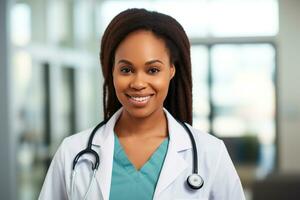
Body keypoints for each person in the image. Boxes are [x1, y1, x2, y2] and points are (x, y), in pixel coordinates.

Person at [39, 8, 245, 200]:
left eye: (153, 70)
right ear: (111, 71)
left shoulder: (210, 153)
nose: (138, 83)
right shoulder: (72, 151)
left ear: (171, 70)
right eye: (126, 70)